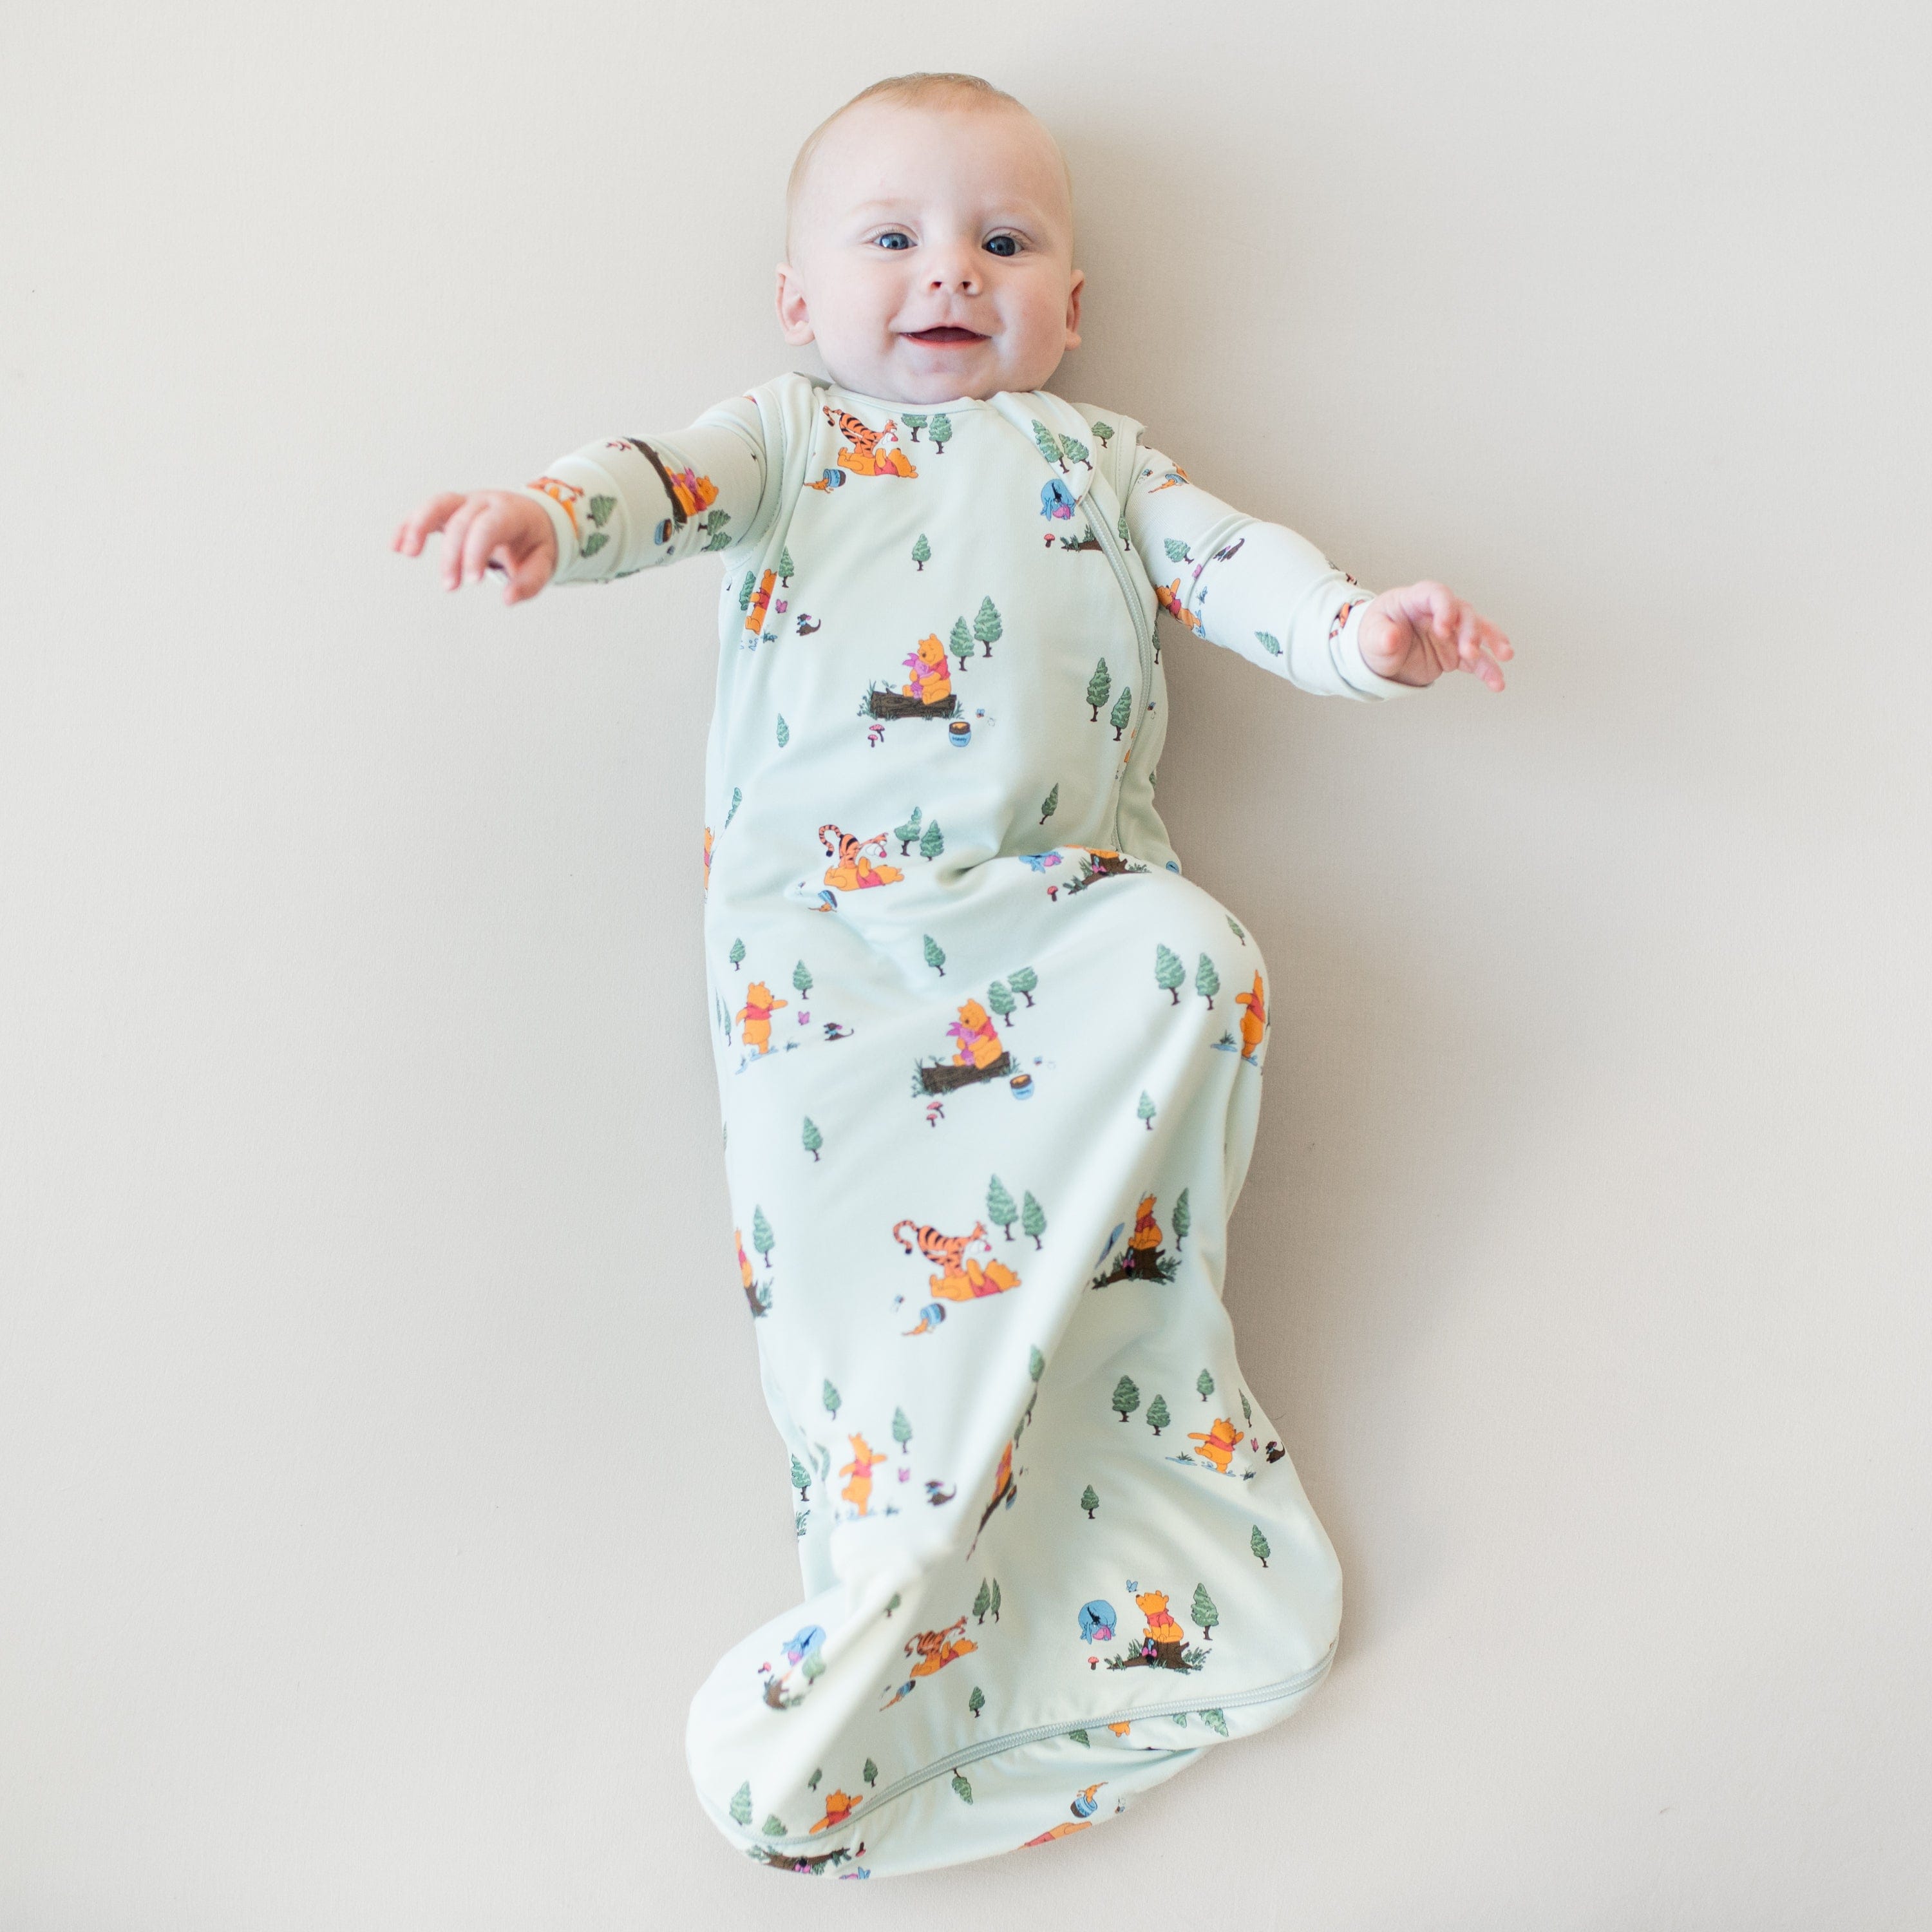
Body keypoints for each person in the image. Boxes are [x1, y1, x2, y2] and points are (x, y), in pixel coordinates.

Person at [392, 70, 1512, 1880]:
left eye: (1006, 242)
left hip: (1058, 919)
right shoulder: (795, 439)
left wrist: (1364, 633)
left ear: (1069, 310)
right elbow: (654, 483)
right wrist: (543, 517)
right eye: (893, 237)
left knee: (1195, 953)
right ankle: (897, 1594)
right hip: (833, 982)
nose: (951, 273)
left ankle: (1105, 1472)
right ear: (798, 300)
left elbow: (1242, 573)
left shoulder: (1103, 465)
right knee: (874, 1334)